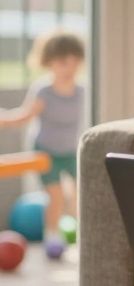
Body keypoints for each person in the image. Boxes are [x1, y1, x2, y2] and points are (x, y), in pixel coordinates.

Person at [0, 31, 86, 258]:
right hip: (47, 151)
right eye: (63, 63)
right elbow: (25, 116)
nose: (70, 69)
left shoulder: (81, 91)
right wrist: (4, 119)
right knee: (56, 196)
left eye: (75, 63)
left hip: (71, 150)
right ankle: (52, 235)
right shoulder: (44, 91)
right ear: (50, 62)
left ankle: (81, 233)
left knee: (81, 193)